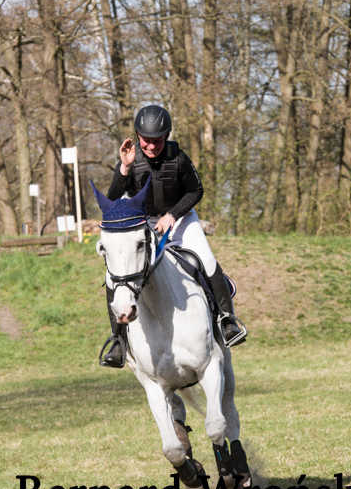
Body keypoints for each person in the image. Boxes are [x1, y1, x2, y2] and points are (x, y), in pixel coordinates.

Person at [100, 104, 246, 368]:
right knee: (114, 276)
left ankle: (227, 321)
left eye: (157, 140)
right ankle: (119, 341)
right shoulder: (130, 159)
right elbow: (112, 199)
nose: (151, 145)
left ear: (166, 136)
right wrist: (124, 168)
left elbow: (196, 191)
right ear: (137, 135)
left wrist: (172, 214)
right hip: (145, 225)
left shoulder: (178, 158)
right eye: (146, 140)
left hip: (180, 219)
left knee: (207, 260)